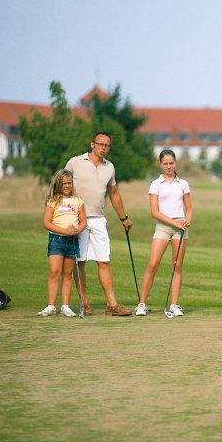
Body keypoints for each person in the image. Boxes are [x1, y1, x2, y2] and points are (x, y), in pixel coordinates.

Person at [64, 131, 133, 316]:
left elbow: (114, 193)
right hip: (77, 219)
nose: (103, 148)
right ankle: (84, 303)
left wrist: (123, 218)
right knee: (80, 261)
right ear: (92, 144)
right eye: (100, 144)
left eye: (107, 145)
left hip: (98, 219)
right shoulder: (75, 162)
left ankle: (112, 305)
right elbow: (61, 186)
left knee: (104, 260)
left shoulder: (109, 167)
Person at [136, 150, 192, 316]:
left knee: (177, 266)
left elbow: (188, 208)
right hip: (163, 226)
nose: (169, 166)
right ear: (161, 164)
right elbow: (155, 212)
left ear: (175, 163)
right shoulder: (156, 184)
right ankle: (141, 304)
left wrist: (187, 220)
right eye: (165, 163)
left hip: (180, 227)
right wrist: (175, 222)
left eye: (171, 163)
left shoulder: (183, 183)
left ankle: (174, 305)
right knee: (153, 265)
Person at [38, 169, 86, 317]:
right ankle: (51, 306)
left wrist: (77, 229)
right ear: (58, 184)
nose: (67, 186)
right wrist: (64, 231)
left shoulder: (77, 200)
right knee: (54, 272)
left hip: (72, 240)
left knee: (67, 274)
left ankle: (65, 306)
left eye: (69, 183)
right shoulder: (52, 201)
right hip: (56, 240)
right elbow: (46, 222)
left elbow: (84, 221)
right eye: (64, 183)